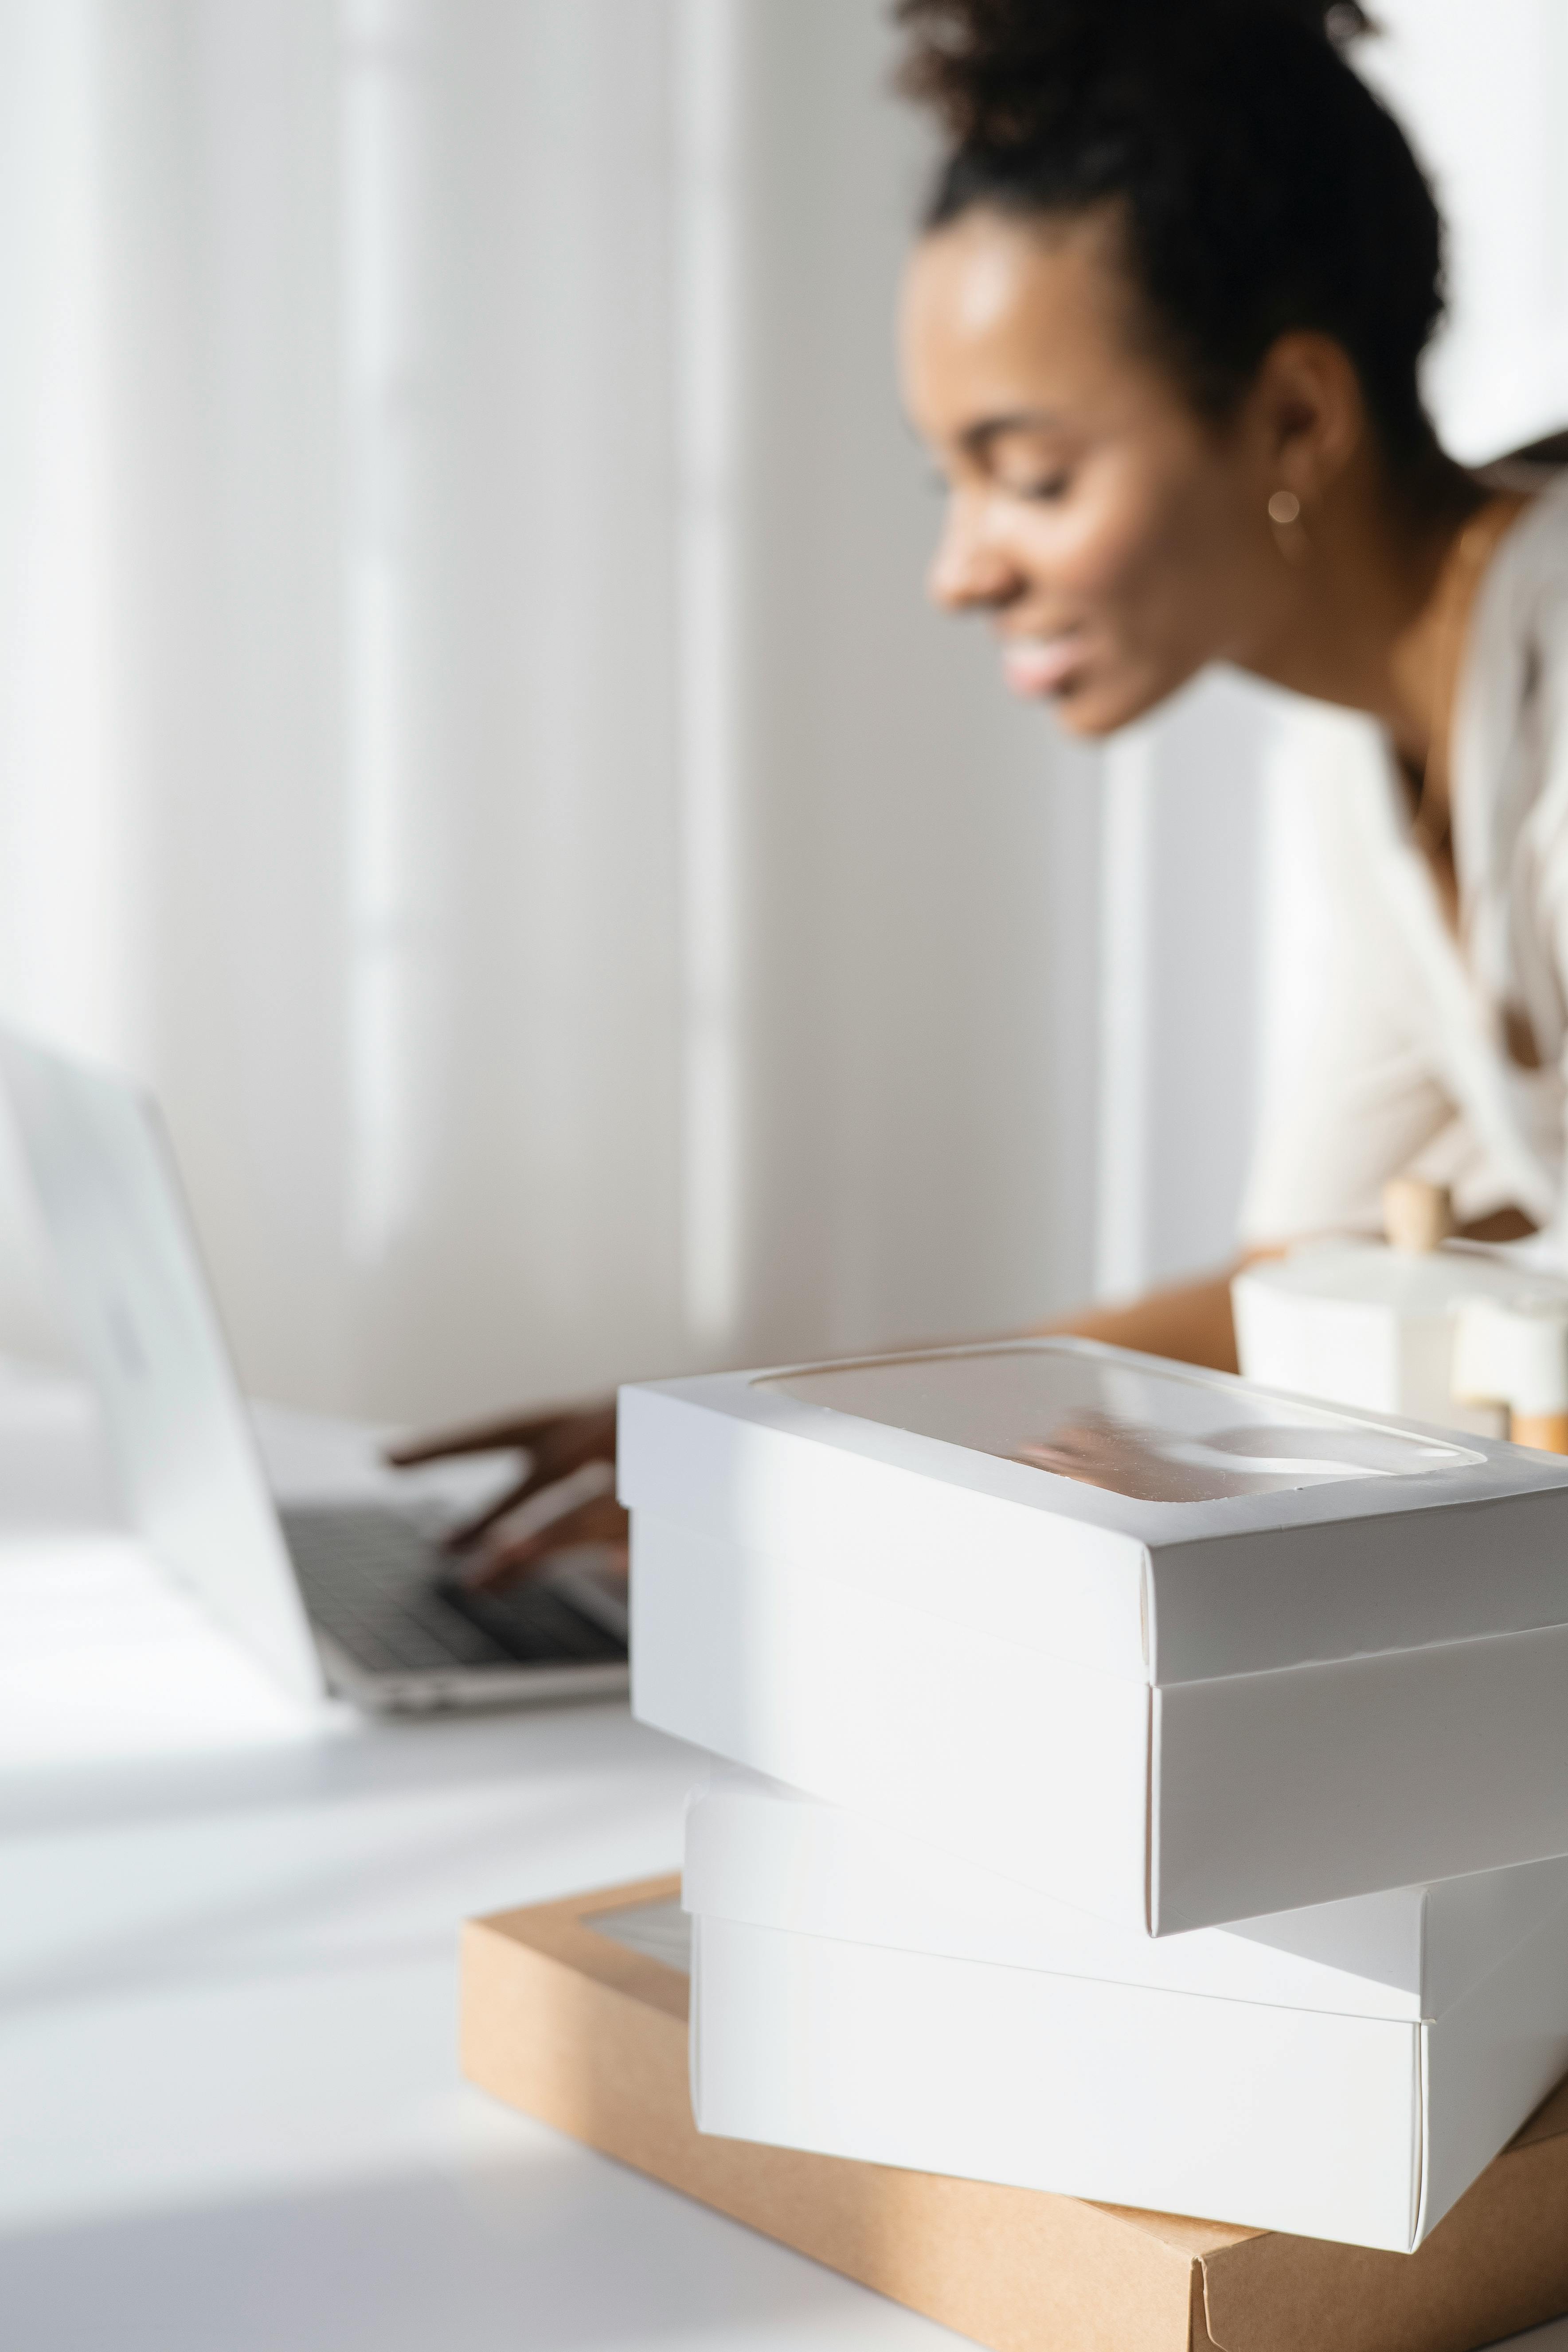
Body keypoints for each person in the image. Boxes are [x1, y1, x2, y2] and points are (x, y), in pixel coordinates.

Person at [393, 0, 1568, 1579]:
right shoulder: (1364, 735)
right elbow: (1317, 1279)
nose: (959, 571)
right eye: (947, 477)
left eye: (1032, 475)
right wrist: (787, 1434)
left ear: (1294, 414)